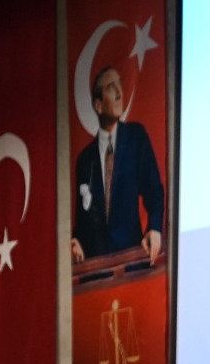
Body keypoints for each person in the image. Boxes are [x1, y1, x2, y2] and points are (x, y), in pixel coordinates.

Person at [70, 66, 165, 265]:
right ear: (98, 105)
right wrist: (76, 241)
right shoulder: (85, 160)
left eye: (120, 84)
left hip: (131, 263)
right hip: (96, 269)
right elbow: (83, 219)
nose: (120, 92)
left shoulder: (136, 137)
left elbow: (154, 189)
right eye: (111, 87)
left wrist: (154, 228)